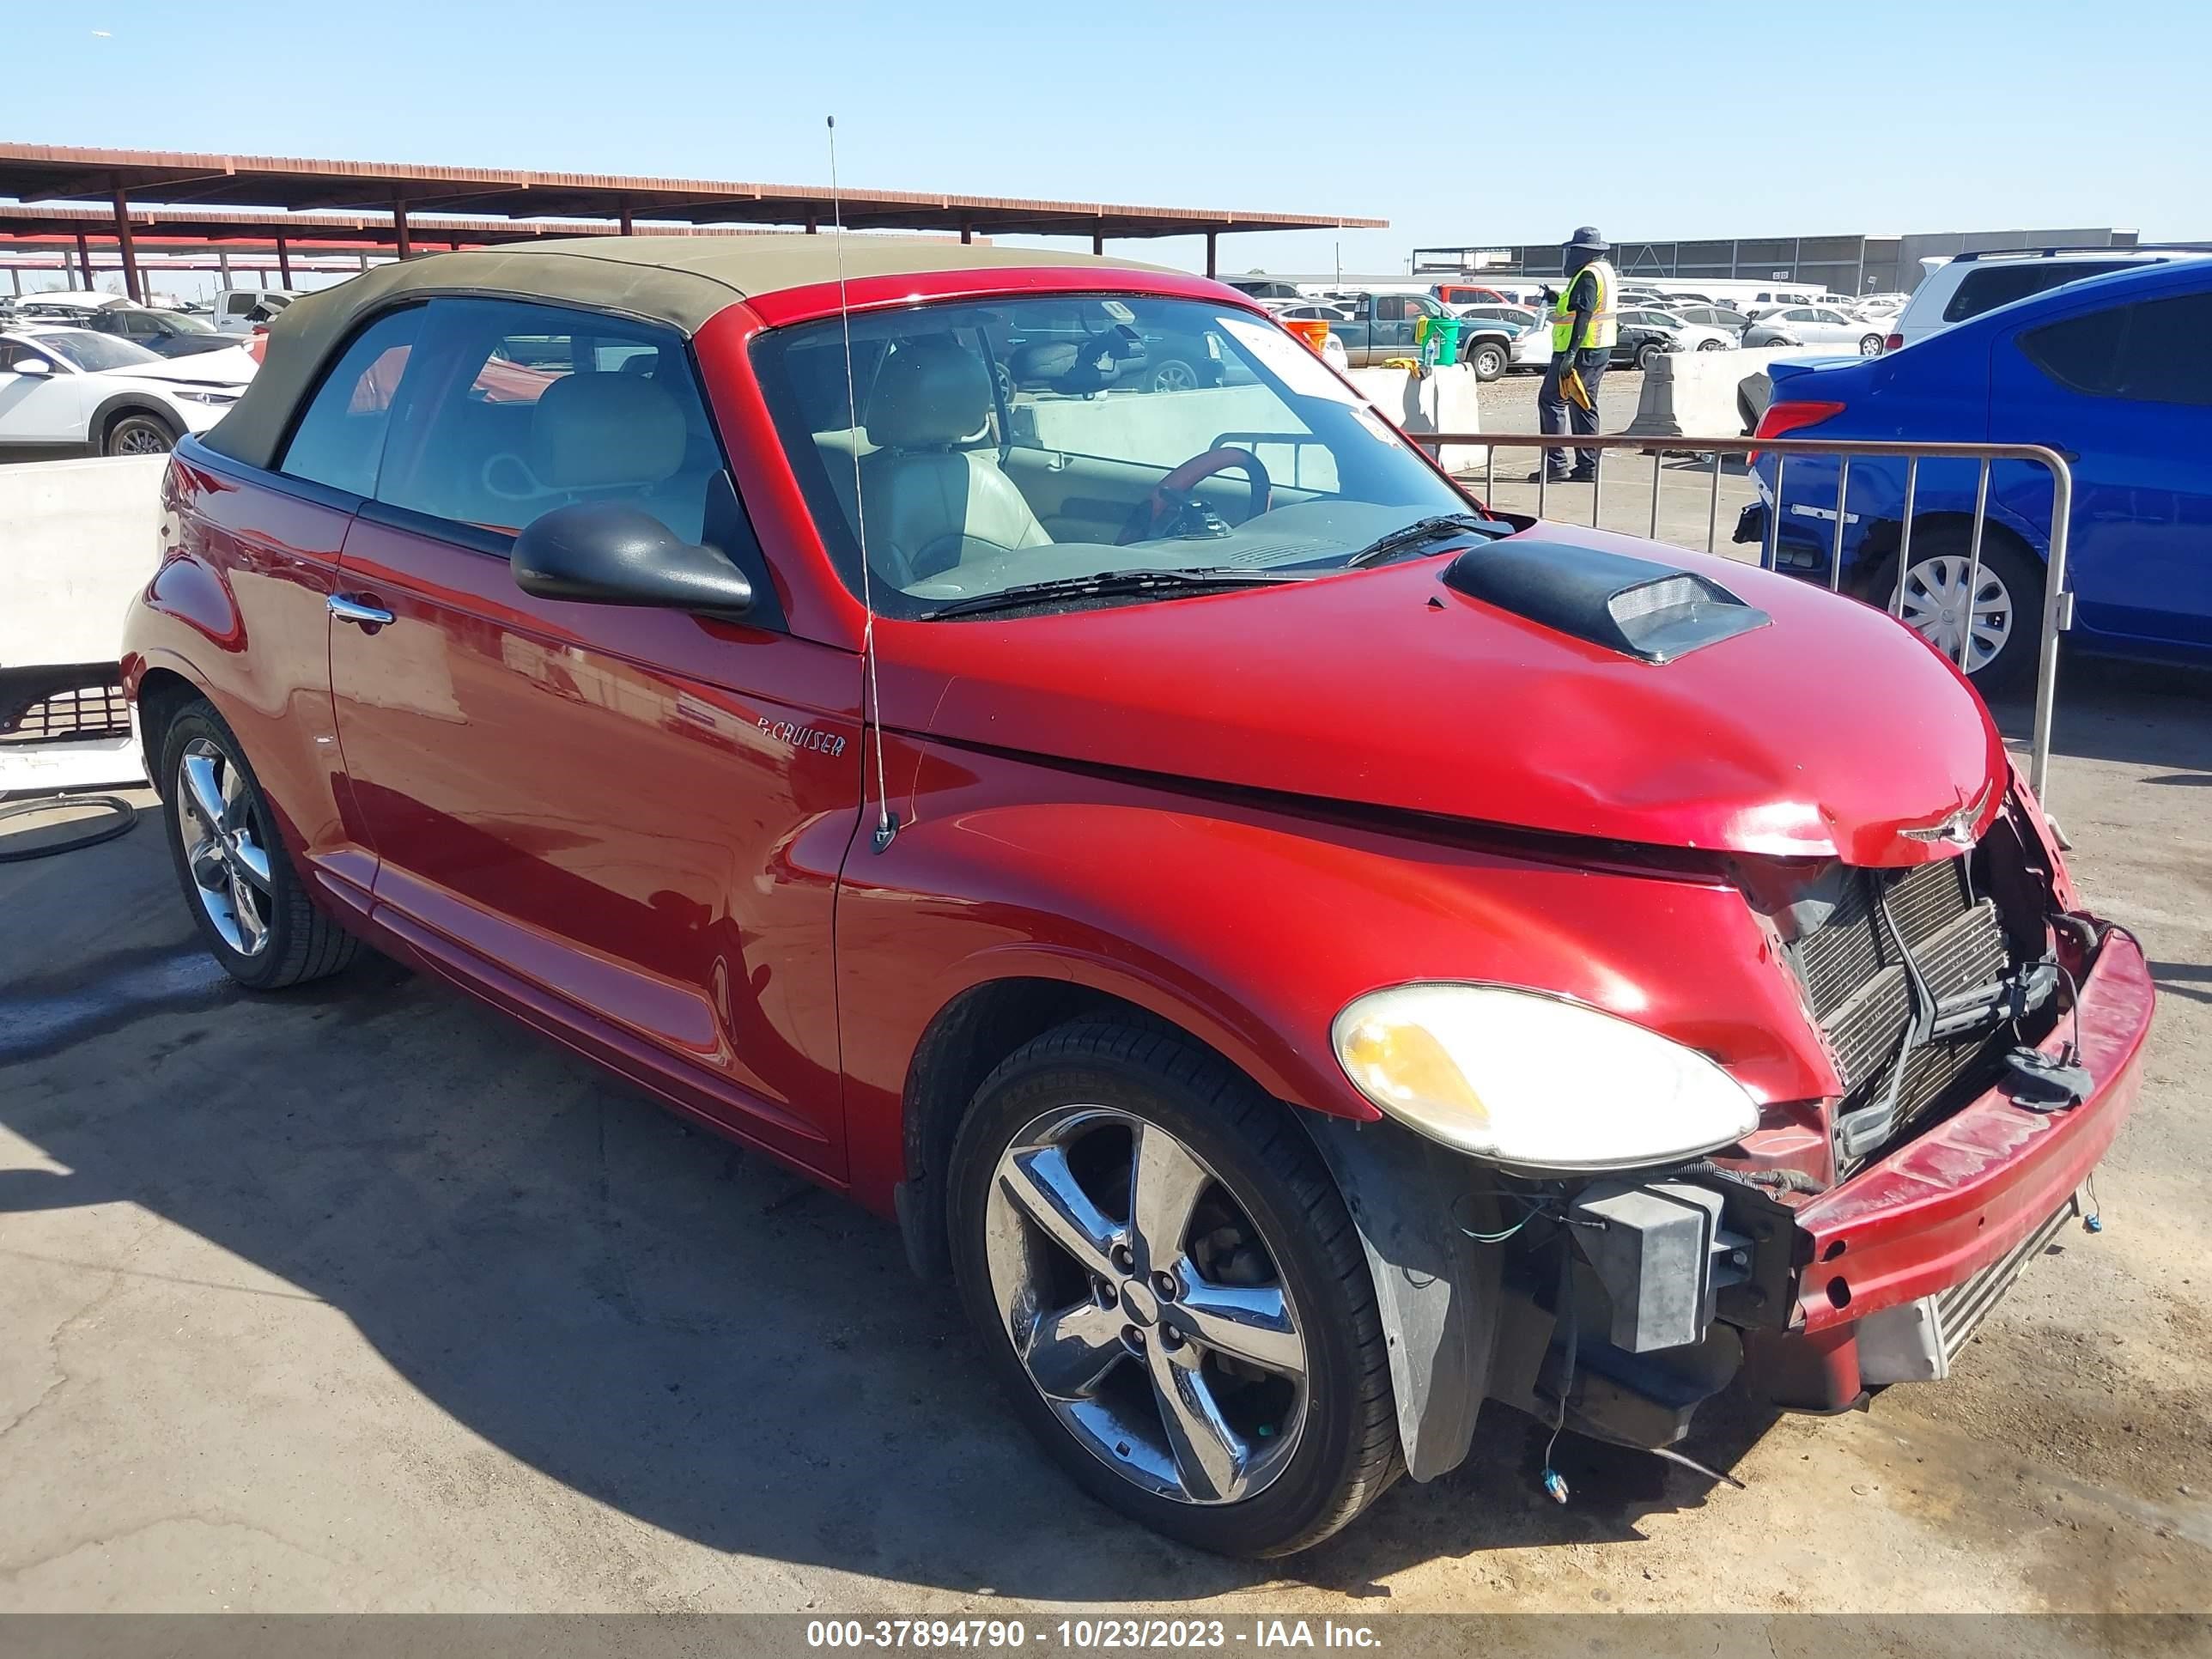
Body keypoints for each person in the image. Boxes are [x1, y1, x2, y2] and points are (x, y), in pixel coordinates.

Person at [1529, 226, 1620, 483]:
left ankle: (1556, 464)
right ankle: (1587, 465)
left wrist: (1570, 354)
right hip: (1596, 348)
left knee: (1552, 401)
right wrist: (1556, 297)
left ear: (1583, 252)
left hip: (1580, 350)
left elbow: (1584, 314)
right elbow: (1580, 306)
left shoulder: (1588, 275)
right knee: (1583, 403)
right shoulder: (1603, 271)